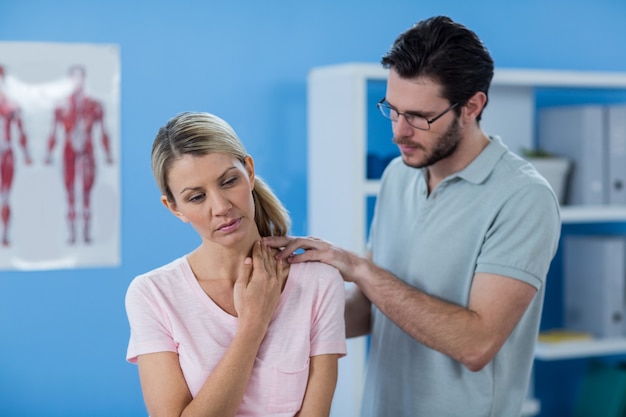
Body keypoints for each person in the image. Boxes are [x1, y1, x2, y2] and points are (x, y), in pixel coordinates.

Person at [264, 15, 561, 417]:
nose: (399, 132)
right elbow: (370, 309)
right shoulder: (397, 175)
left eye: (420, 116)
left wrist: (359, 269)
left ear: (472, 106)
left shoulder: (523, 198)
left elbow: (476, 344)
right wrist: (274, 317)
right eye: (392, 109)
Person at [125, 111, 346, 417]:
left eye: (229, 182)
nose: (222, 207)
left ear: (250, 171)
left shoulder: (319, 282)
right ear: (174, 208)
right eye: (197, 197)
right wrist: (252, 326)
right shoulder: (152, 294)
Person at [45, 64, 113, 244]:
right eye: (74, 78)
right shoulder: (61, 106)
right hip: (68, 152)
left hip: (88, 152)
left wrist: (108, 153)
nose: (77, 81)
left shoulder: (94, 105)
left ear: (84, 79)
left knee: (86, 193)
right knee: (70, 193)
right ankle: (72, 235)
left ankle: (86, 234)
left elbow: (103, 132)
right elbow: (53, 132)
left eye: (80, 77)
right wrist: (48, 153)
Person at [0, 65, 32, 246]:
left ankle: (4, 235)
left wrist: (26, 154)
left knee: (5, 197)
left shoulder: (10, 104)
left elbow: (20, 129)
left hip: (5, 156)